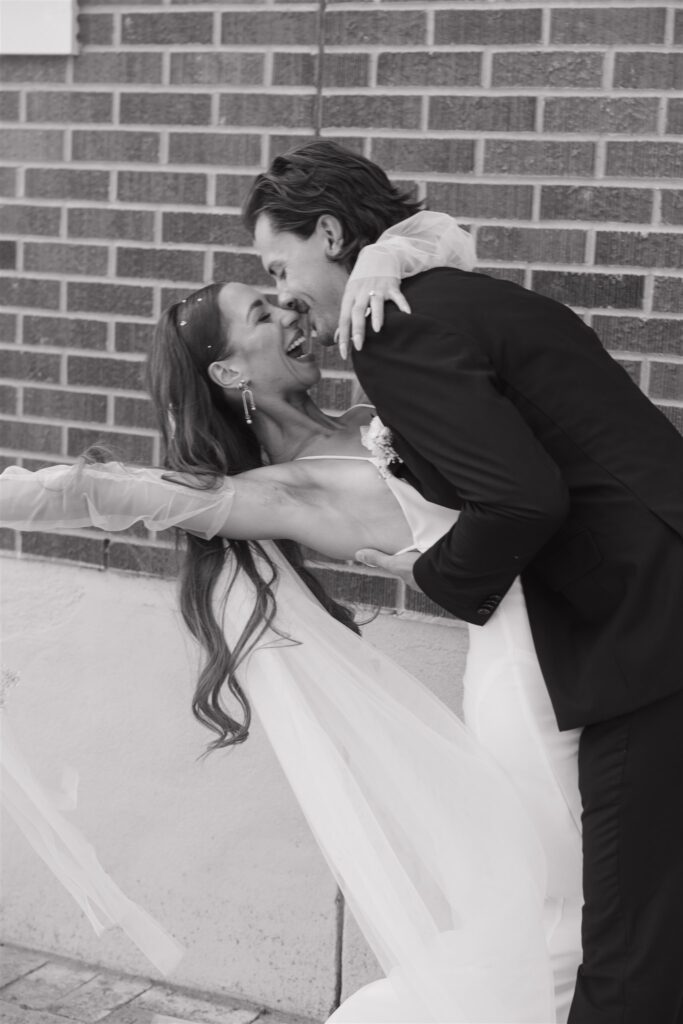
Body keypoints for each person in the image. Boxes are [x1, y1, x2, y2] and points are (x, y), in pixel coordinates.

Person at [0, 219, 581, 1022]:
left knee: (582, 913)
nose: (291, 312)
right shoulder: (282, 490)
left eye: (282, 296)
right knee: (565, 920)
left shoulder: (374, 413)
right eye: (262, 314)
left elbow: (445, 241)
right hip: (534, 678)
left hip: (578, 637)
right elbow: (91, 492)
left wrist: (383, 257)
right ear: (228, 369)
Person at [242, 140, 683, 1024]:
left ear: (328, 234)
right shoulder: (458, 295)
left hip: (642, 625)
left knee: (626, 953)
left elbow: (522, 500)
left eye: (278, 263)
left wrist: (429, 571)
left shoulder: (391, 325)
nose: (283, 289)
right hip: (649, 603)